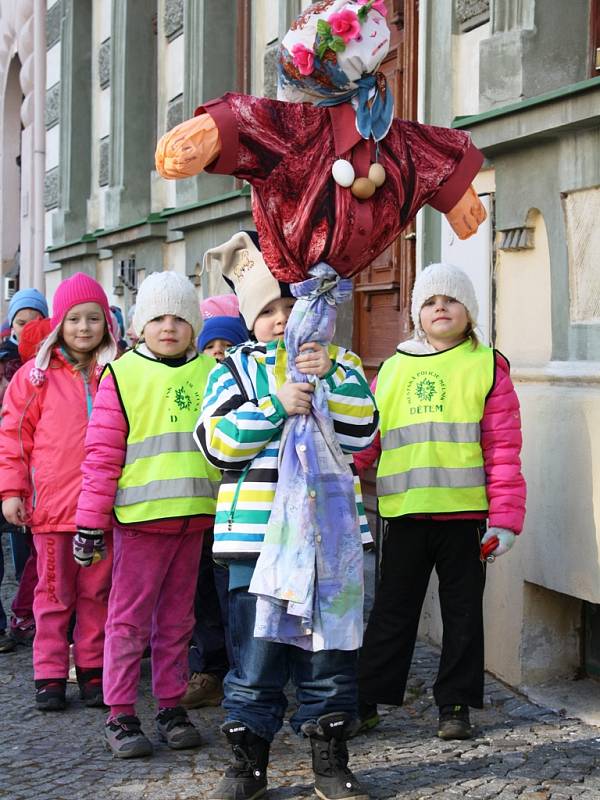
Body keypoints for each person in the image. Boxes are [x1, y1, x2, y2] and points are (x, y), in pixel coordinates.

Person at [195, 231, 378, 800]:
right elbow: (219, 443)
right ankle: (247, 766)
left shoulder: (341, 365)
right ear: (249, 319)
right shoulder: (235, 371)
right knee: (257, 655)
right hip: (255, 544)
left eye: (291, 305)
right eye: (268, 310)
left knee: (328, 656)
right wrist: (276, 405)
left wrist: (327, 381)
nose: (281, 319)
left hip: (331, 545)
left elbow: (364, 430)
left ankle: (329, 760)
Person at [155, 1, 486, 292]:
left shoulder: (380, 132)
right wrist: (204, 134)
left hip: (333, 278)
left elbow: (425, 151)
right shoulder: (291, 129)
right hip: (293, 280)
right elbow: (247, 120)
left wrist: (455, 192)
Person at [354, 262, 526, 741]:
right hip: (404, 515)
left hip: (465, 516)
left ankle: (455, 704)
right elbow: (371, 436)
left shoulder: (487, 365)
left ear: (468, 310)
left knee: (464, 615)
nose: (440, 308)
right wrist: (342, 468)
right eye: (429, 302)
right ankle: (366, 700)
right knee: (391, 612)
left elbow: (503, 448)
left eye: (450, 299)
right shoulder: (391, 369)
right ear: (416, 314)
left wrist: (506, 519)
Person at [76, 270, 222, 758]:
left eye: (179, 317)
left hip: (195, 519)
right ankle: (120, 713)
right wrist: (90, 521)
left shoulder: (211, 373)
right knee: (129, 620)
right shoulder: (123, 374)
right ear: (139, 324)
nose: (168, 326)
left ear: (193, 326)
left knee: (179, 621)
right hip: (140, 521)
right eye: (157, 317)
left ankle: (170, 704)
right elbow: (101, 455)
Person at [0, 273, 118, 709]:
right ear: (58, 324)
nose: (84, 328)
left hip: (102, 510)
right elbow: (13, 437)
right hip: (51, 509)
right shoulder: (35, 378)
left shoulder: (117, 372)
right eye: (74, 319)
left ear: (106, 323)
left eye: (93, 318)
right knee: (52, 595)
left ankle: (92, 668)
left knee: (97, 594)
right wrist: (12, 491)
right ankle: (49, 672)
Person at [182, 306, 247, 710]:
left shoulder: (246, 386)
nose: (219, 352)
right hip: (198, 507)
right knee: (203, 594)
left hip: (239, 510)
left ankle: (244, 672)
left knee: (235, 596)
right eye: (211, 346)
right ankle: (209, 669)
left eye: (228, 344)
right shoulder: (193, 386)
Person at [0, 288, 49, 653]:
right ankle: (21, 615)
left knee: (37, 554)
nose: (28, 327)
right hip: (14, 467)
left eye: (35, 320)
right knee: (28, 553)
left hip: (43, 475)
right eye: (21, 321)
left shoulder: (54, 368)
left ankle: (28, 614)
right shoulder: (6, 363)